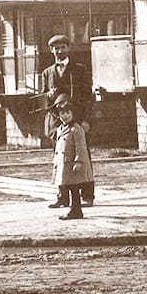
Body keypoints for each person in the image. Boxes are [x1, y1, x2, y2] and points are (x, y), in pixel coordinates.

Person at [41, 34, 95, 207]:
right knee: (60, 159)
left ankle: (87, 196)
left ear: (68, 49)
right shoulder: (47, 73)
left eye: (63, 47)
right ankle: (62, 197)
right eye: (56, 48)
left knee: (82, 156)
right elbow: (42, 100)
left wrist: (86, 120)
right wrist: (48, 96)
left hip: (77, 121)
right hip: (57, 123)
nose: (59, 51)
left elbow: (88, 97)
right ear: (51, 50)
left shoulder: (79, 70)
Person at [49, 97, 93, 221]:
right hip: (64, 164)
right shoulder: (60, 129)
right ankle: (75, 210)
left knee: (74, 188)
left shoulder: (76, 129)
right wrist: (56, 162)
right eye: (63, 113)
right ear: (59, 115)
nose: (66, 116)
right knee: (69, 187)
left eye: (68, 113)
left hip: (73, 164)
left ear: (73, 114)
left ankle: (76, 210)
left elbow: (81, 147)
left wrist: (79, 161)